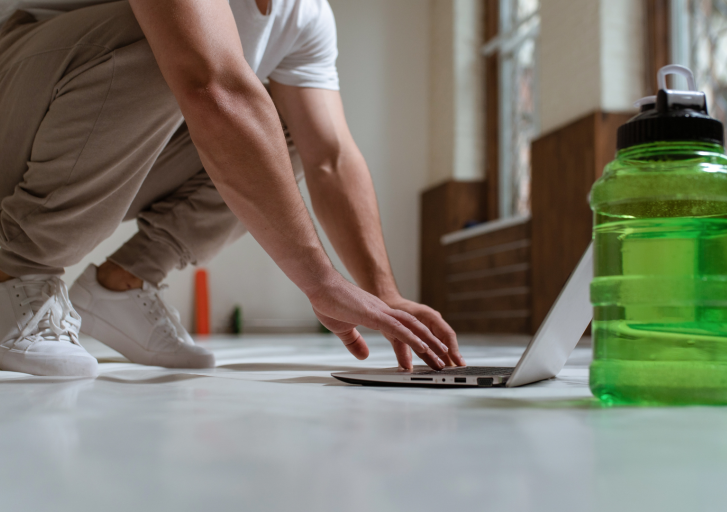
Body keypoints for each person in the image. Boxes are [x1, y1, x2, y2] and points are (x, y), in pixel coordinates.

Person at [0, 0, 466, 377]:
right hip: (22, 107)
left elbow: (330, 158)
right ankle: (12, 271)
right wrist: (321, 282)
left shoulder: (306, 16)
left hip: (95, 144)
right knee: (182, 51)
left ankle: (122, 285)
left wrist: (384, 293)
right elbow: (210, 85)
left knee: (286, 132)